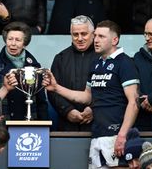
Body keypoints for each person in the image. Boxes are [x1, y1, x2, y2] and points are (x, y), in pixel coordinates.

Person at [43, 20, 140, 168]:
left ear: (115, 40)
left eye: (101, 36)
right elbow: (87, 97)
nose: (96, 40)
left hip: (116, 136)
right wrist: (56, 88)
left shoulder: (125, 62)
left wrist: (122, 135)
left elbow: (134, 102)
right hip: (97, 134)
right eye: (95, 36)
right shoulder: (96, 64)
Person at [0, 21, 48, 120]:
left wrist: (45, 128)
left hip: (30, 127)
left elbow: (41, 103)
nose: (13, 44)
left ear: (25, 44)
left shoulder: (35, 67)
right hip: (2, 126)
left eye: (18, 40)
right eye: (10, 39)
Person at [48, 15, 99, 131]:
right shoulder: (60, 58)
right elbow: (52, 91)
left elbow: (110, 90)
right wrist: (67, 110)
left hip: (97, 125)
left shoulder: (103, 57)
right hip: (67, 125)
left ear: (93, 33)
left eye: (84, 34)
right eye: (75, 34)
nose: (79, 38)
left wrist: (93, 109)